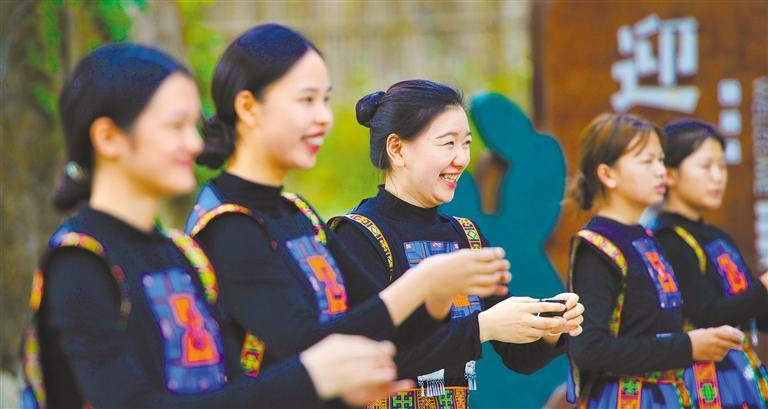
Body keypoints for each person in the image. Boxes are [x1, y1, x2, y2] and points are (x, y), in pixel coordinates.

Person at [20, 43, 410, 409]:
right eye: (175, 126)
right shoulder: (79, 263)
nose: (195, 144)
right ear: (108, 138)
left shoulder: (183, 254)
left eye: (193, 125)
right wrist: (312, 377)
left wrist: (337, 392)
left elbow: (232, 392)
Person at [187, 23, 511, 394]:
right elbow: (310, 348)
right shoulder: (228, 224)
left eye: (325, 100)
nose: (324, 117)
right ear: (248, 107)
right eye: (306, 100)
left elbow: (379, 326)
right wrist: (427, 282)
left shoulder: (298, 212)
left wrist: (438, 293)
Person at [329, 79, 584, 408]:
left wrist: (550, 327)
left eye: (466, 144)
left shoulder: (467, 235)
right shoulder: (357, 235)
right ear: (397, 149)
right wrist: (481, 328)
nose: (461, 159)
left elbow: (518, 357)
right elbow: (371, 357)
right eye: (447, 144)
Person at [567, 113, 744, 408]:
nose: (661, 171)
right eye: (647, 161)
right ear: (608, 175)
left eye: (661, 160)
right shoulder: (597, 247)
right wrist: (688, 346)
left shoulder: (646, 237)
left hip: (666, 396)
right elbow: (589, 348)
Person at [653, 119, 768, 408]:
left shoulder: (719, 238)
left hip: (736, 377)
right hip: (695, 385)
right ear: (670, 174)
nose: (717, 177)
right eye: (706, 166)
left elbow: (754, 311)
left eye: (722, 166)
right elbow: (707, 316)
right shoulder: (667, 239)